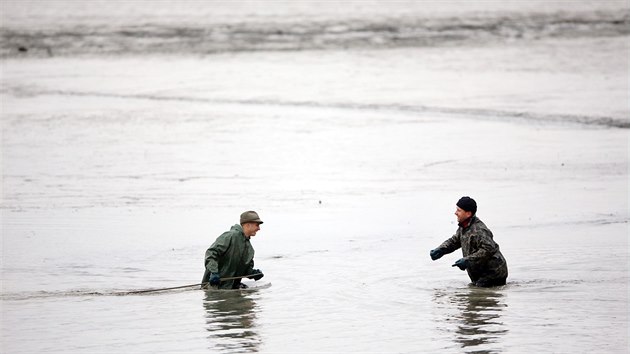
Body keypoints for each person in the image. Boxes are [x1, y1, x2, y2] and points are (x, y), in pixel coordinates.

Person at [429, 197, 508, 287]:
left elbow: (488, 249)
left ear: (468, 213)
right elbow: (455, 241)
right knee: (473, 295)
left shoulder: (479, 229)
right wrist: (441, 250)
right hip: (480, 273)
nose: (455, 213)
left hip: (493, 273)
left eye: (459, 210)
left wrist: (467, 261)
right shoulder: (463, 226)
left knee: (477, 296)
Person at [201, 211, 265, 289]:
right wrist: (214, 272)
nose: (259, 228)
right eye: (257, 225)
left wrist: (253, 273)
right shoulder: (230, 236)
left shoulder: (250, 249)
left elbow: (244, 270)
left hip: (231, 289)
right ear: (248, 224)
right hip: (212, 287)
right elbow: (211, 253)